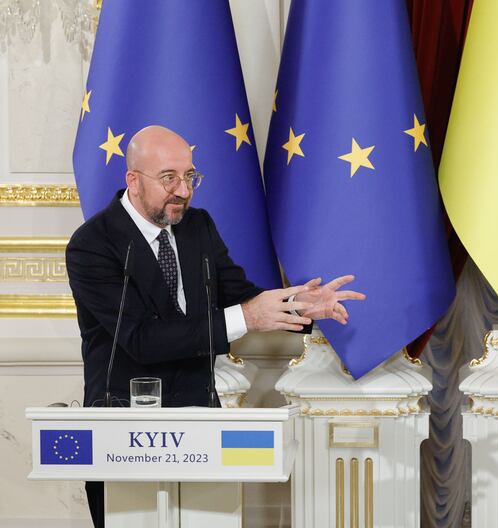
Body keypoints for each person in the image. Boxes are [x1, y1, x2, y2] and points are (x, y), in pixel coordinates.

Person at [66, 125, 366, 527]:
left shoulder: (197, 227)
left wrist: (299, 305)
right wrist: (247, 316)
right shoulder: (93, 244)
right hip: (126, 433)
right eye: (169, 178)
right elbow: (140, 341)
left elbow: (239, 294)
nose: (184, 191)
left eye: (190, 176)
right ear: (132, 181)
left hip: (199, 427)